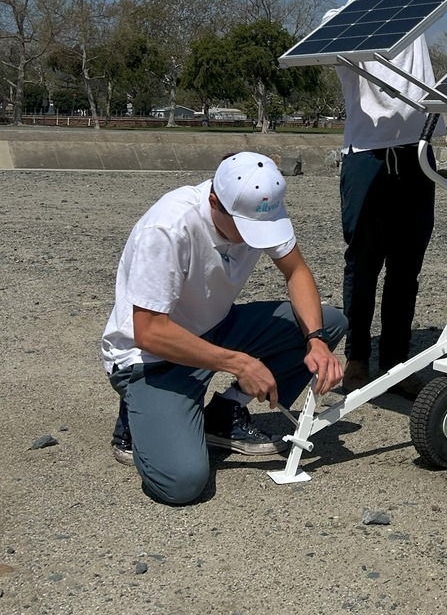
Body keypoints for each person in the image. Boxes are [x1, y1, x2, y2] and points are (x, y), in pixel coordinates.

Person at [101, 151, 347, 505]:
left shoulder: (260, 205)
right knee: (181, 483)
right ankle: (134, 419)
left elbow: (297, 271)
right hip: (150, 357)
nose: (253, 239)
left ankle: (221, 416)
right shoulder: (169, 227)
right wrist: (240, 363)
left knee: (329, 322)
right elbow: (149, 331)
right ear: (214, 201)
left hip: (214, 327)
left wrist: (316, 340)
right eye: (245, 228)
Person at [328, 0, 447, 398]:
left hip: (417, 153)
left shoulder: (415, 10)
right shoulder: (337, 23)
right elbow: (340, 35)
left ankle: (397, 363)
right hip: (367, 157)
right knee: (362, 264)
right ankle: (358, 358)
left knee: (407, 267)